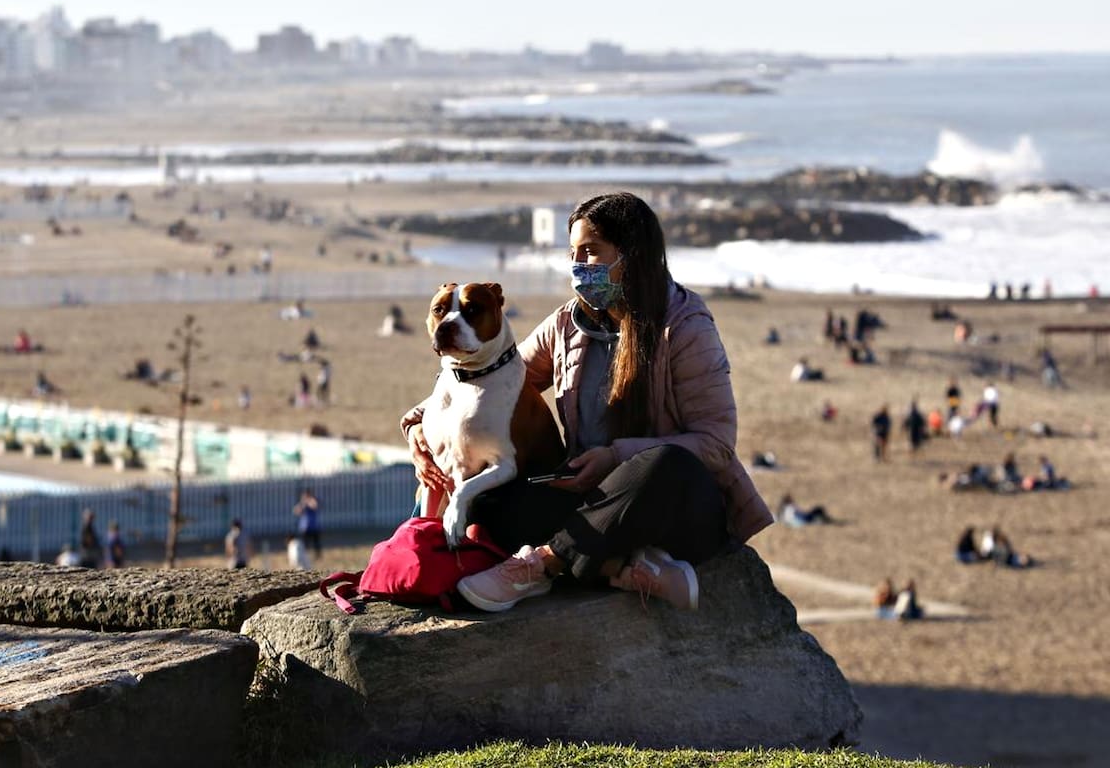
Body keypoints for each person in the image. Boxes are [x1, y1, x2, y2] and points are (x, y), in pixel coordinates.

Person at [404, 191, 772, 614]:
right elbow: (495, 377)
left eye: (591, 251)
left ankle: (541, 565)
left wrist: (615, 456)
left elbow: (717, 444)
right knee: (488, 502)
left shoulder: (686, 327)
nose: (579, 265)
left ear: (632, 254)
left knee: (664, 463)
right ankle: (622, 568)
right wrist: (417, 425)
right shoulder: (568, 323)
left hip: (674, 507)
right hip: (591, 501)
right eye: (573, 254)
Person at [293, 488, 323, 559]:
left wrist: (308, 502)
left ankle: (317, 555)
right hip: (305, 527)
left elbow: (315, 506)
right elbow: (296, 511)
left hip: (313, 527)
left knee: (316, 543)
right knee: (305, 543)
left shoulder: (313, 501)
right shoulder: (302, 504)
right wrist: (302, 505)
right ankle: (305, 555)